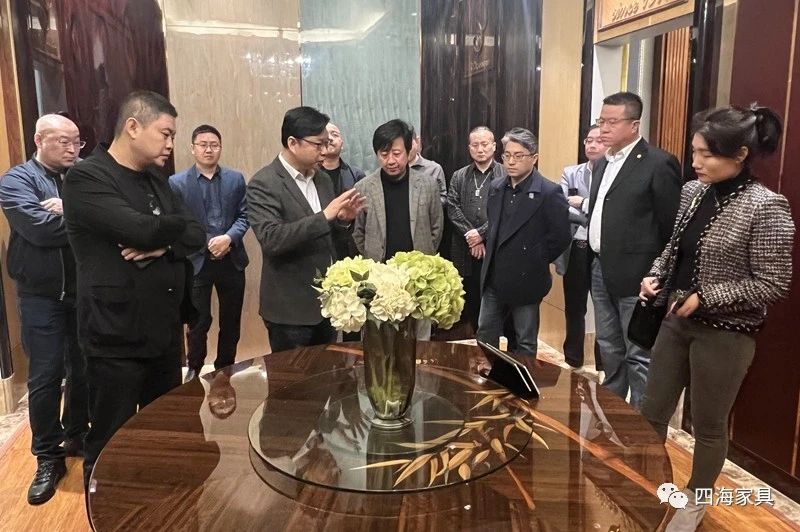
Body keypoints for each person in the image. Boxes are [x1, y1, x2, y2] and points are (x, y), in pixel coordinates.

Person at [640, 105, 794, 531]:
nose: (696, 162)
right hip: (676, 321)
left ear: (740, 154)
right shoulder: (693, 192)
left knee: (708, 426)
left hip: (727, 334)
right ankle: (646, 486)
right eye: (694, 151)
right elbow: (674, 249)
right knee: (651, 412)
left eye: (706, 154)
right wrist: (654, 275)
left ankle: (695, 503)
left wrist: (707, 297)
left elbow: (773, 283)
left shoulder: (767, 206)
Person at [63, 90, 205, 487]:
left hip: (163, 331)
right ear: (132, 127)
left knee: (164, 430)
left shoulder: (155, 180)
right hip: (115, 335)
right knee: (111, 440)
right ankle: (105, 506)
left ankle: (155, 506)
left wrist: (165, 244)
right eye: (165, 133)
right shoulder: (87, 177)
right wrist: (165, 230)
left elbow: (196, 231)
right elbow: (140, 229)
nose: (171, 144)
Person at [0, 114, 89, 504]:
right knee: (46, 376)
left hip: (83, 291)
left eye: (77, 141)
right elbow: (40, 230)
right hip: (40, 296)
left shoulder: (84, 175)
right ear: (39, 140)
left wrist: (67, 208)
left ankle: (78, 434)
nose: (72, 149)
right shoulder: (16, 180)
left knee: (83, 368)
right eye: (63, 141)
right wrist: (83, 218)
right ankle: (48, 456)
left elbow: (111, 218)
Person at [588, 91, 682, 409]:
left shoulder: (658, 163)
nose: (603, 128)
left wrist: (660, 275)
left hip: (639, 276)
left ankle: (643, 419)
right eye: (601, 120)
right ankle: (613, 410)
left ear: (634, 124)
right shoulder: (602, 162)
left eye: (612, 122)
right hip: (600, 267)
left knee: (638, 352)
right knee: (608, 346)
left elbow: (671, 228)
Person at [246, 106, 364, 353]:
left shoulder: (322, 179)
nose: (324, 151)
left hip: (327, 305)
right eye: (318, 144)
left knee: (327, 373)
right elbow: (271, 239)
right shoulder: (264, 183)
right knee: (292, 377)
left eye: (326, 143)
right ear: (292, 142)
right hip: (290, 309)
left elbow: (327, 236)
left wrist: (343, 221)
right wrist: (325, 216)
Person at [477, 127, 571, 356]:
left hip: (527, 277)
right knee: (485, 332)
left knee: (525, 341)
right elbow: (494, 225)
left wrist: (536, 257)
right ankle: (489, 373)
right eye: (507, 155)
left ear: (534, 158)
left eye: (518, 156)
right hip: (495, 276)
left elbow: (561, 237)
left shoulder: (549, 192)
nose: (511, 162)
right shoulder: (497, 187)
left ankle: (523, 379)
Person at [169, 124, 249, 381]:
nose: (208, 149)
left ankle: (225, 367)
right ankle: (194, 368)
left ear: (220, 148)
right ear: (192, 148)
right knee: (198, 321)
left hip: (231, 259)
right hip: (197, 260)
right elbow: (180, 223)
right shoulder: (177, 183)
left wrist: (228, 238)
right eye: (203, 145)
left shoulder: (236, 179)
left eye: (214, 145)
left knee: (231, 320)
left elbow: (245, 216)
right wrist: (208, 243)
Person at [353, 119, 443, 340]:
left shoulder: (428, 185)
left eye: (396, 153)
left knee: (418, 339)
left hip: (417, 277)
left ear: (409, 151)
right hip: (379, 276)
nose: (391, 161)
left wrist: (424, 258)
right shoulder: (363, 187)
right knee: (379, 339)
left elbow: (436, 227)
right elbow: (358, 232)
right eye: (384, 154)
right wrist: (372, 258)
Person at [446, 126, 507, 332]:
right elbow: (452, 207)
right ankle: (473, 338)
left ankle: (492, 343)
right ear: (469, 148)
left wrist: (481, 234)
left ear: (494, 146)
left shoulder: (505, 174)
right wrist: (471, 236)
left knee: (494, 298)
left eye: (485, 144)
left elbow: (505, 210)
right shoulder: (459, 176)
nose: (480, 149)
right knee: (469, 298)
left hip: (495, 247)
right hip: (465, 248)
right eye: (475, 145)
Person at [554, 125, 605, 369]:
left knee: (604, 308)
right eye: (588, 140)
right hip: (576, 246)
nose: (592, 145)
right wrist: (591, 214)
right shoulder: (571, 172)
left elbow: (609, 208)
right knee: (574, 307)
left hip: (602, 249)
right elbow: (562, 206)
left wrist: (583, 203)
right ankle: (573, 359)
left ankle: (603, 365)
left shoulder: (613, 174)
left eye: (598, 140)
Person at [409, 127, 447, 204]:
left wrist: (426, 203)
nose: (406, 150)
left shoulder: (434, 168)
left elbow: (443, 197)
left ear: (417, 141)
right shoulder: (393, 168)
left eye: (409, 144)